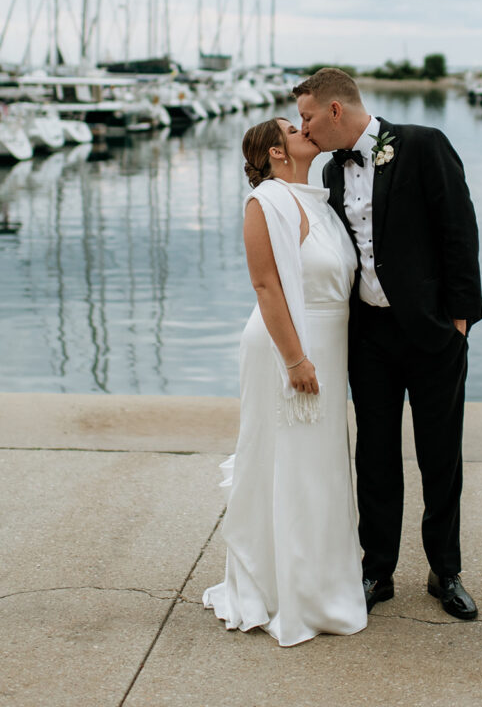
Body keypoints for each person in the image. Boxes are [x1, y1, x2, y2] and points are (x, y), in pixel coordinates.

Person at [293, 68, 482, 620]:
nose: (304, 128)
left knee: (440, 455)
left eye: (308, 117)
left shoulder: (424, 145)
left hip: (432, 332)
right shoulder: (330, 170)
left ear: (335, 111)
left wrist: (460, 320)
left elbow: (459, 231)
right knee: (374, 455)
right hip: (369, 336)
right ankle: (377, 570)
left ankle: (444, 572)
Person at [202, 117, 367, 647]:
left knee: (318, 469)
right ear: (276, 152)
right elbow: (265, 284)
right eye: (294, 129)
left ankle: (320, 585)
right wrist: (295, 360)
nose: (306, 129)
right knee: (286, 464)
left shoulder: (316, 200)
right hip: (287, 348)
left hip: (328, 345)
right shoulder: (266, 203)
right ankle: (281, 591)